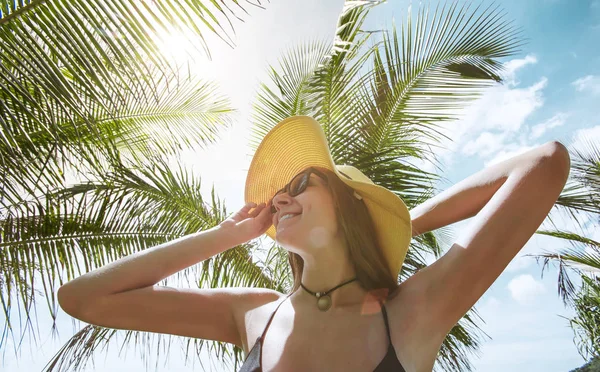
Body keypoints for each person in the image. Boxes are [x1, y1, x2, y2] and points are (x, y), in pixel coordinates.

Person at [57, 116, 570, 372]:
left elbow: (543, 163)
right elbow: (82, 298)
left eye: (300, 185)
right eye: (278, 194)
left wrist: (395, 224)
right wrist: (222, 236)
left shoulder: (415, 311)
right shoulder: (254, 313)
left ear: (348, 207)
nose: (279, 199)